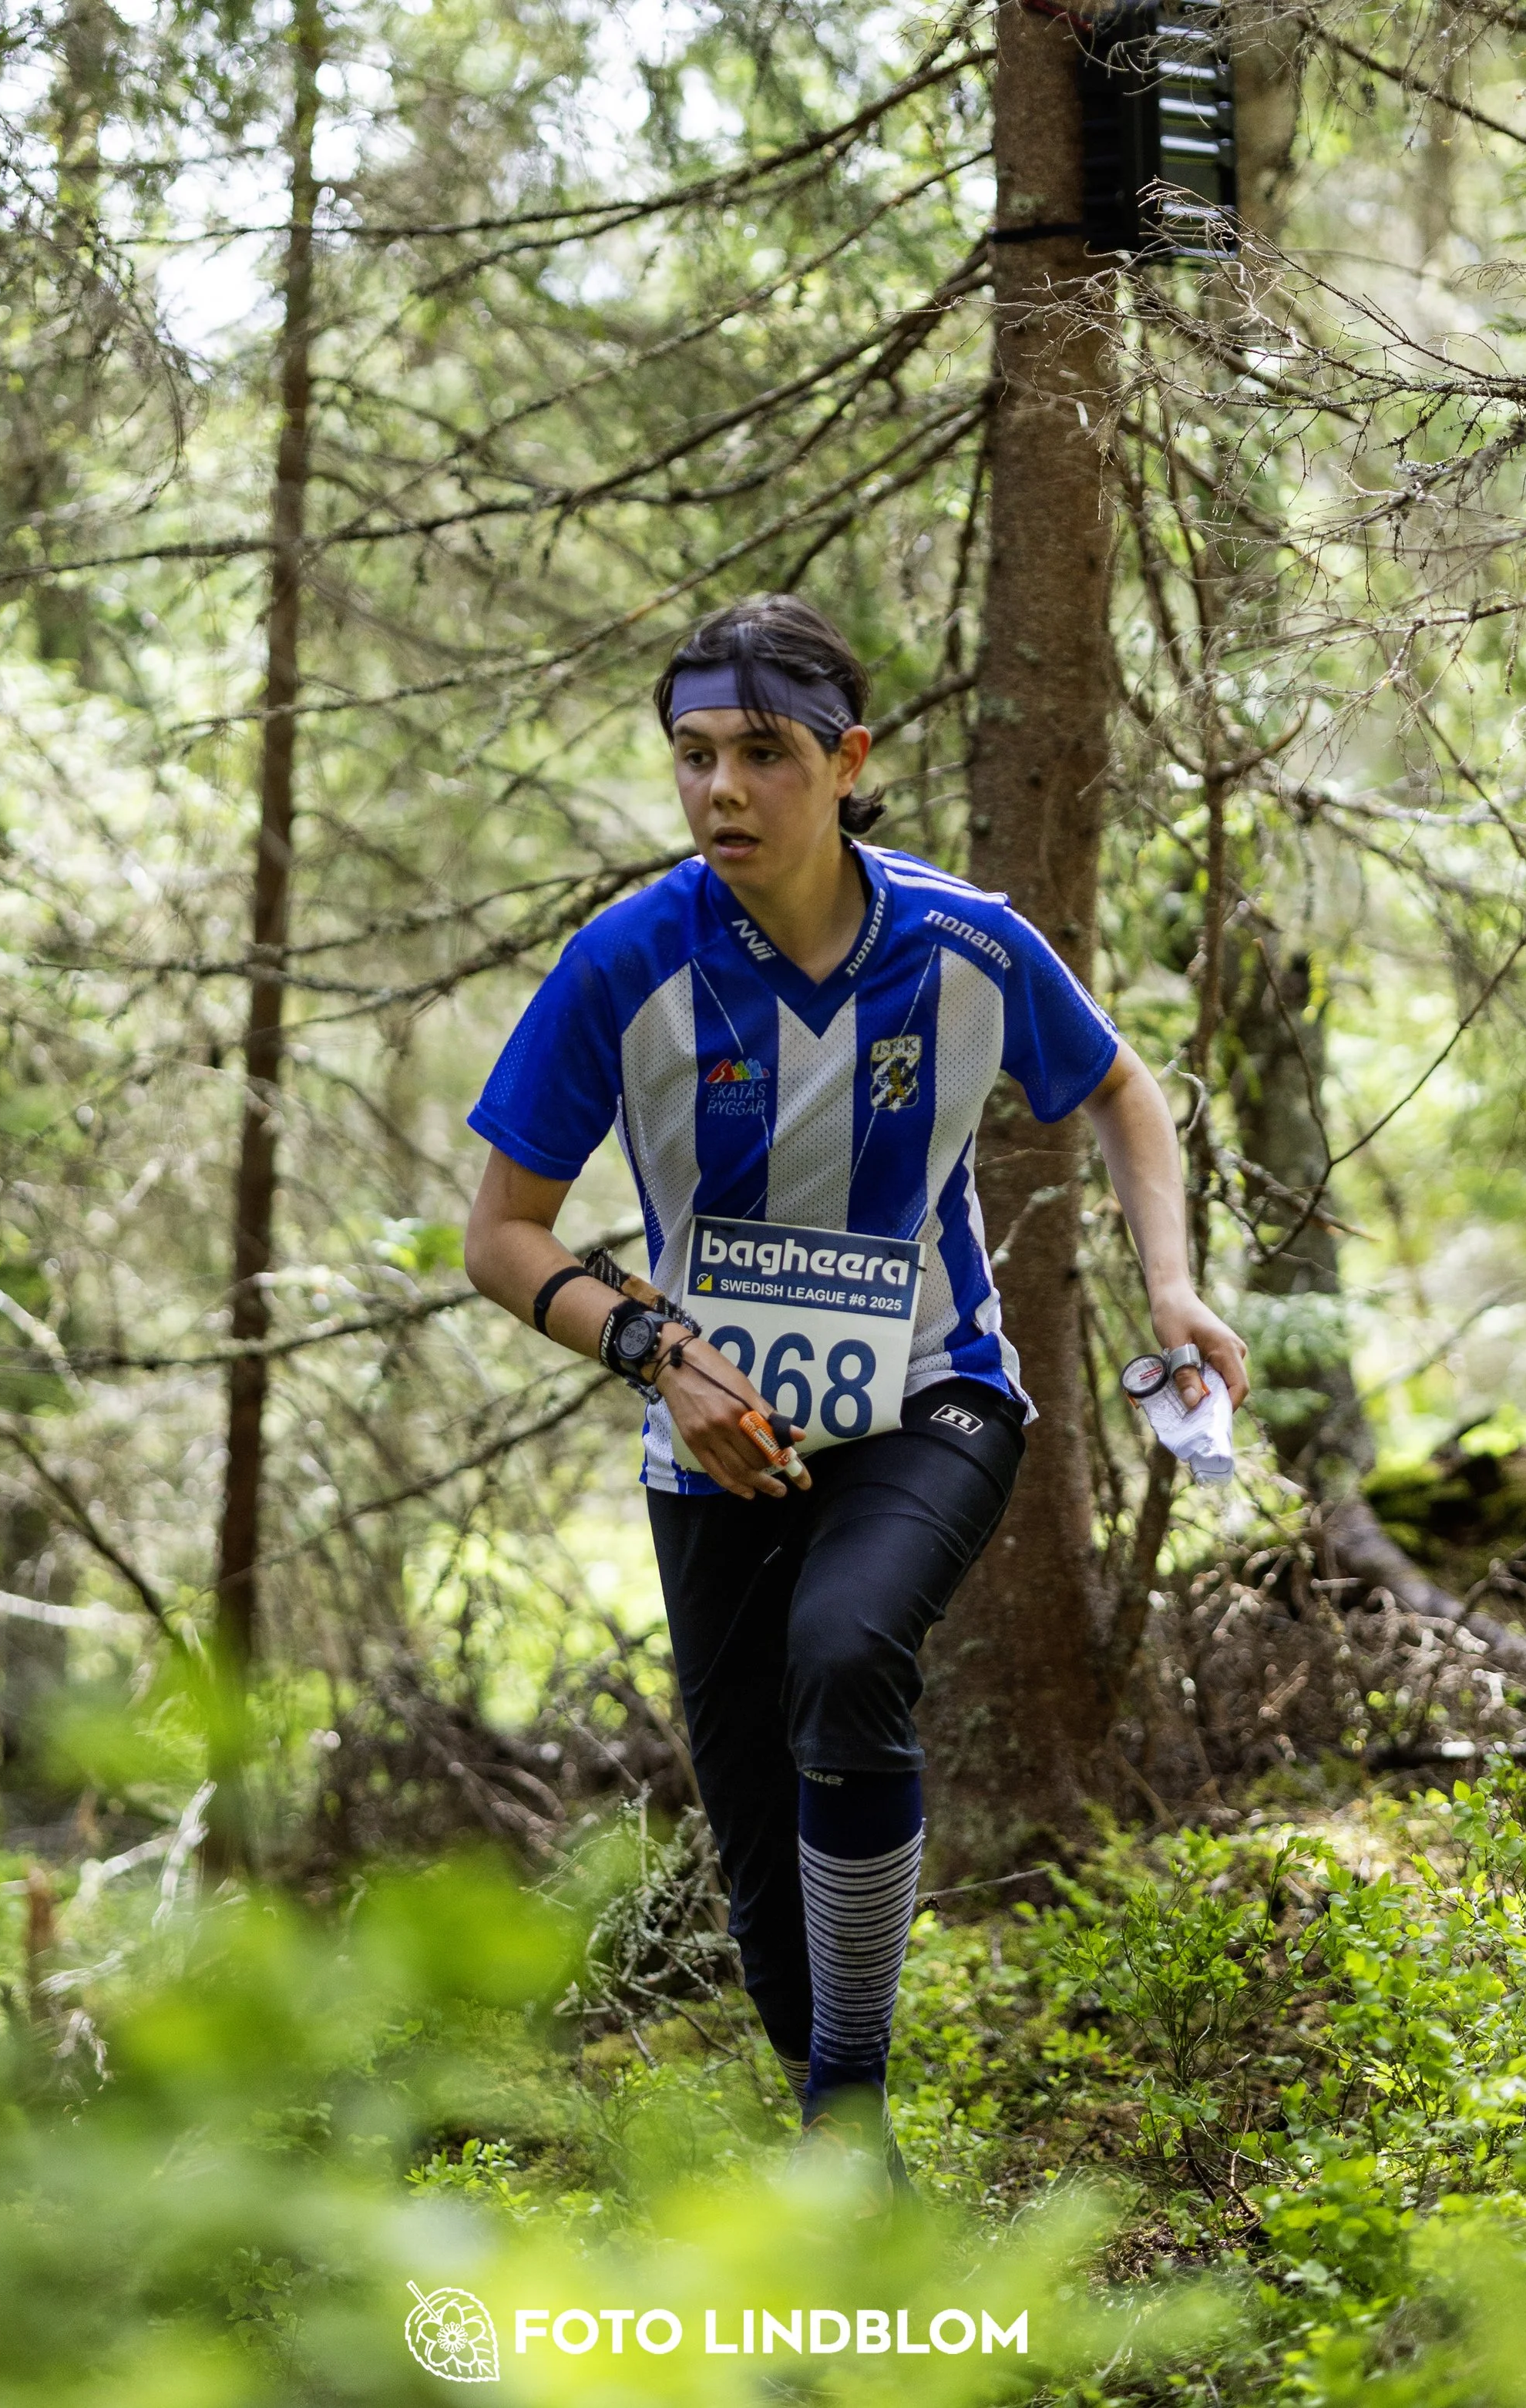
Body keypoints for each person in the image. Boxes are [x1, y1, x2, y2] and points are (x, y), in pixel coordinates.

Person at [463, 593, 1249, 2188]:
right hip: (712, 1445)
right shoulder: (625, 959)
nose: (720, 790)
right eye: (691, 757)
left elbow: (1115, 1083)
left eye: (760, 751)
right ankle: (836, 2116)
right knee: (768, 1925)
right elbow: (501, 1232)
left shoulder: (962, 944)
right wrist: (654, 1353)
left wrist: (1168, 1278)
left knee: (844, 1649)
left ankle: (853, 2120)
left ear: (846, 760)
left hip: (930, 1400)